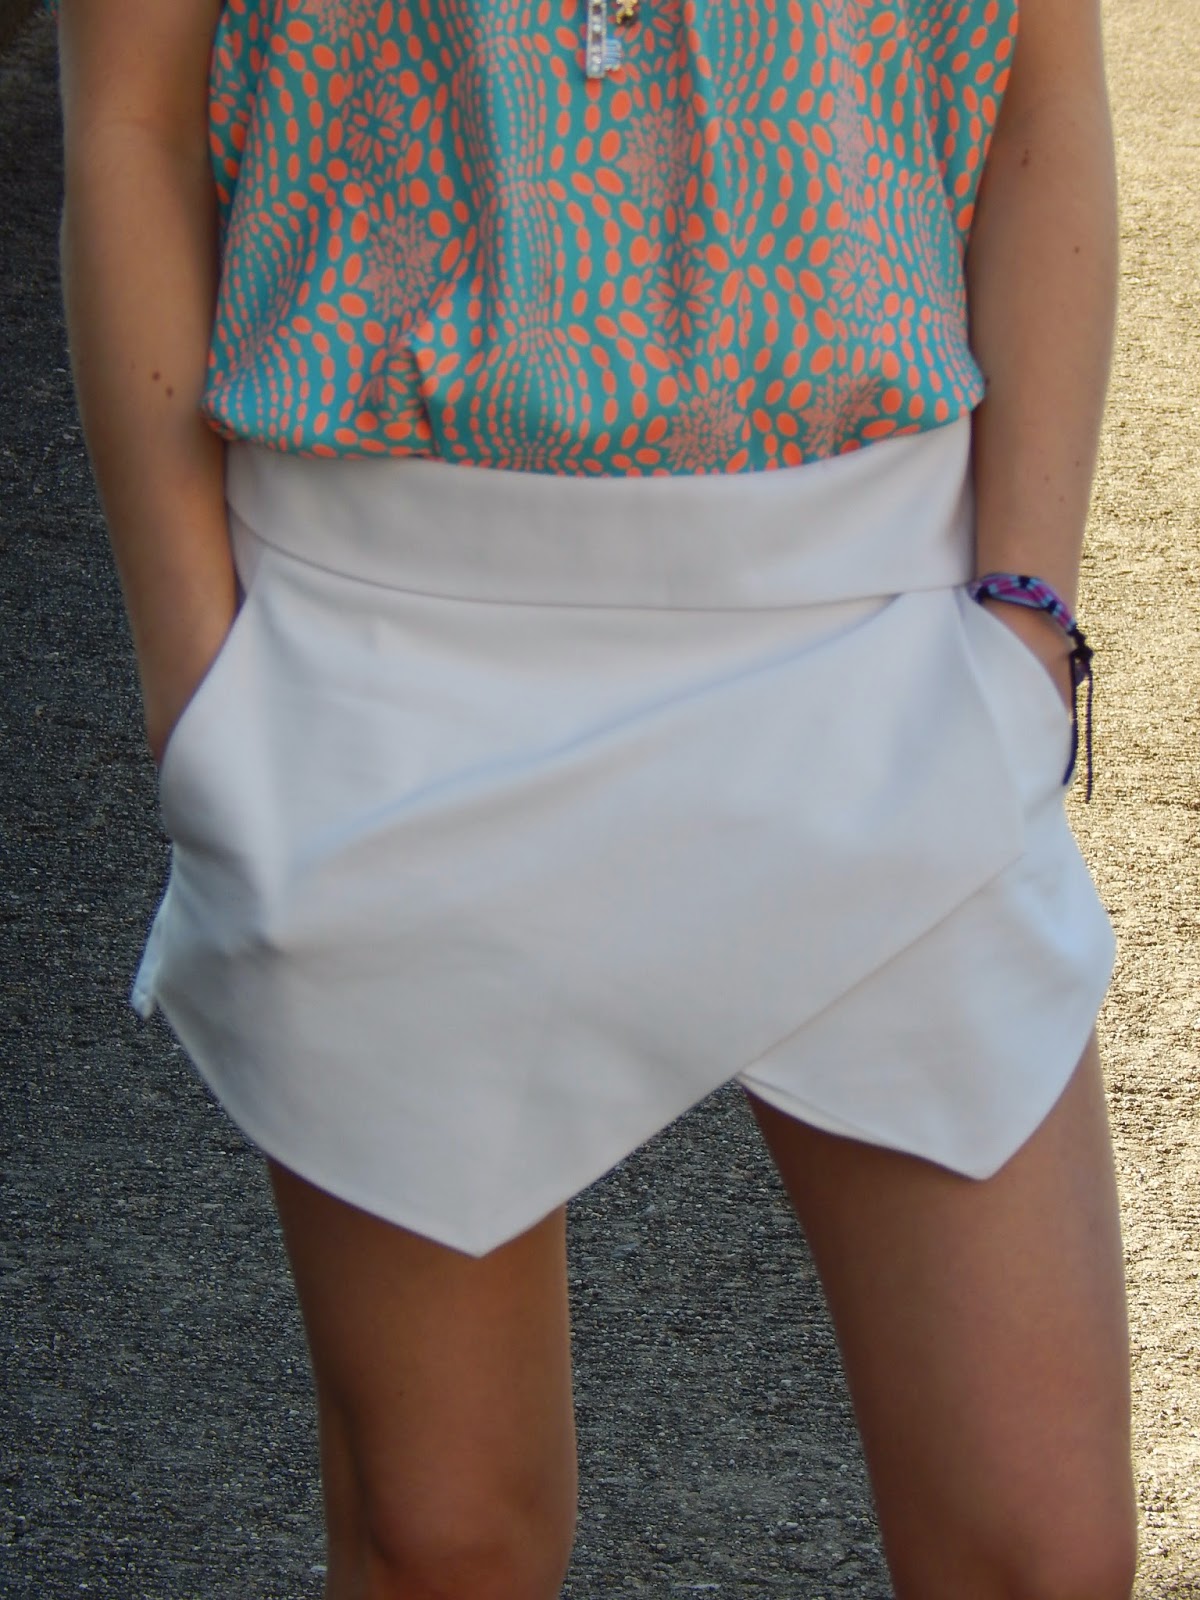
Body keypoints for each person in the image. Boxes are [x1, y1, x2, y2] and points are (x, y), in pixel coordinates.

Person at [56, 0, 1136, 1593]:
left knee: (1042, 1550)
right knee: (444, 1540)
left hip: (878, 631)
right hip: (389, 654)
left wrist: (1029, 617)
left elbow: (1041, 91)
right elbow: (130, 123)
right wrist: (199, 695)